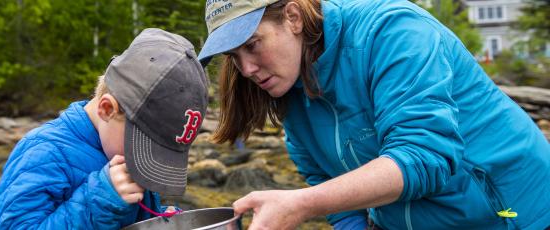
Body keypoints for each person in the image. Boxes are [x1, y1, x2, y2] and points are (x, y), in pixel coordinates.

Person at [197, 0, 550, 229]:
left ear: (292, 16)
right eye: (233, 56)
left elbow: (424, 158)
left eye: (252, 44)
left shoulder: (394, 31)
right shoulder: (287, 90)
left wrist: (302, 205)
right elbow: (325, 181)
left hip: (513, 213)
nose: (246, 69)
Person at [0, 28, 208, 229]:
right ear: (107, 109)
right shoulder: (44, 153)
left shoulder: (120, 148)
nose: (149, 161)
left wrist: (161, 219)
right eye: (147, 147)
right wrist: (100, 201)